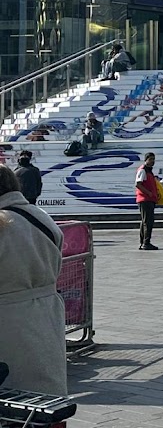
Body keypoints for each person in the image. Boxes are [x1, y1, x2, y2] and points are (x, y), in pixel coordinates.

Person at [0, 164, 67, 396]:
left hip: (8, 319)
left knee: (12, 396)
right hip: (46, 313)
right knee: (42, 392)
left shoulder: (3, 223)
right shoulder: (42, 217)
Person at [135, 151, 161, 250]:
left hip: (149, 199)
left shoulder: (149, 171)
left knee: (145, 221)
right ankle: (146, 242)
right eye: (150, 159)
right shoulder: (143, 170)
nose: (152, 161)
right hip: (145, 199)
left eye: (153, 159)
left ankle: (143, 242)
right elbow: (138, 184)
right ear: (146, 160)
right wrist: (148, 193)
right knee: (148, 221)